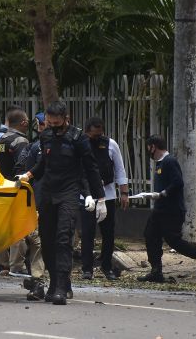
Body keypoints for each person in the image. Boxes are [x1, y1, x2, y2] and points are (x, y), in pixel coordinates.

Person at [17, 101, 106, 305]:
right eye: (50, 123)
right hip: (47, 191)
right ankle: (56, 282)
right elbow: (43, 164)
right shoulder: (45, 136)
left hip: (69, 191)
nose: (53, 128)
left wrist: (98, 197)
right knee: (47, 241)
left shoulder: (78, 138)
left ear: (66, 119)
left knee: (63, 238)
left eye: (57, 124)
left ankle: (60, 288)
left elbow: (90, 167)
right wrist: (28, 175)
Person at [137, 135, 196, 282]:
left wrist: (162, 194)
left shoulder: (170, 161)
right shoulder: (160, 163)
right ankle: (156, 271)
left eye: (148, 148)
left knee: (174, 241)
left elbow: (178, 183)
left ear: (153, 146)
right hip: (160, 210)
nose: (148, 151)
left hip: (171, 210)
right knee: (150, 235)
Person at [80, 117, 129, 281]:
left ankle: (106, 266)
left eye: (100, 134)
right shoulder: (80, 144)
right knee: (87, 233)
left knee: (108, 234)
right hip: (86, 196)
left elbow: (120, 169)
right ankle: (87, 269)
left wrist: (124, 193)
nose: (97, 138)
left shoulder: (110, 144)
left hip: (107, 195)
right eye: (94, 135)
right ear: (87, 131)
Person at [0, 108, 33, 278]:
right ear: (23, 122)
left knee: (2, 225)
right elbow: (22, 165)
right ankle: (16, 265)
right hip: (15, 187)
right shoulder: (20, 141)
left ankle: (1, 264)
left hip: (1, 186)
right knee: (18, 226)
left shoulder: (1, 139)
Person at [15, 112, 47, 301]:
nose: (42, 129)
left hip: (62, 200)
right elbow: (27, 174)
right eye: (41, 125)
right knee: (36, 241)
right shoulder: (35, 148)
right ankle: (38, 281)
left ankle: (62, 283)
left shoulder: (71, 144)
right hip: (38, 201)